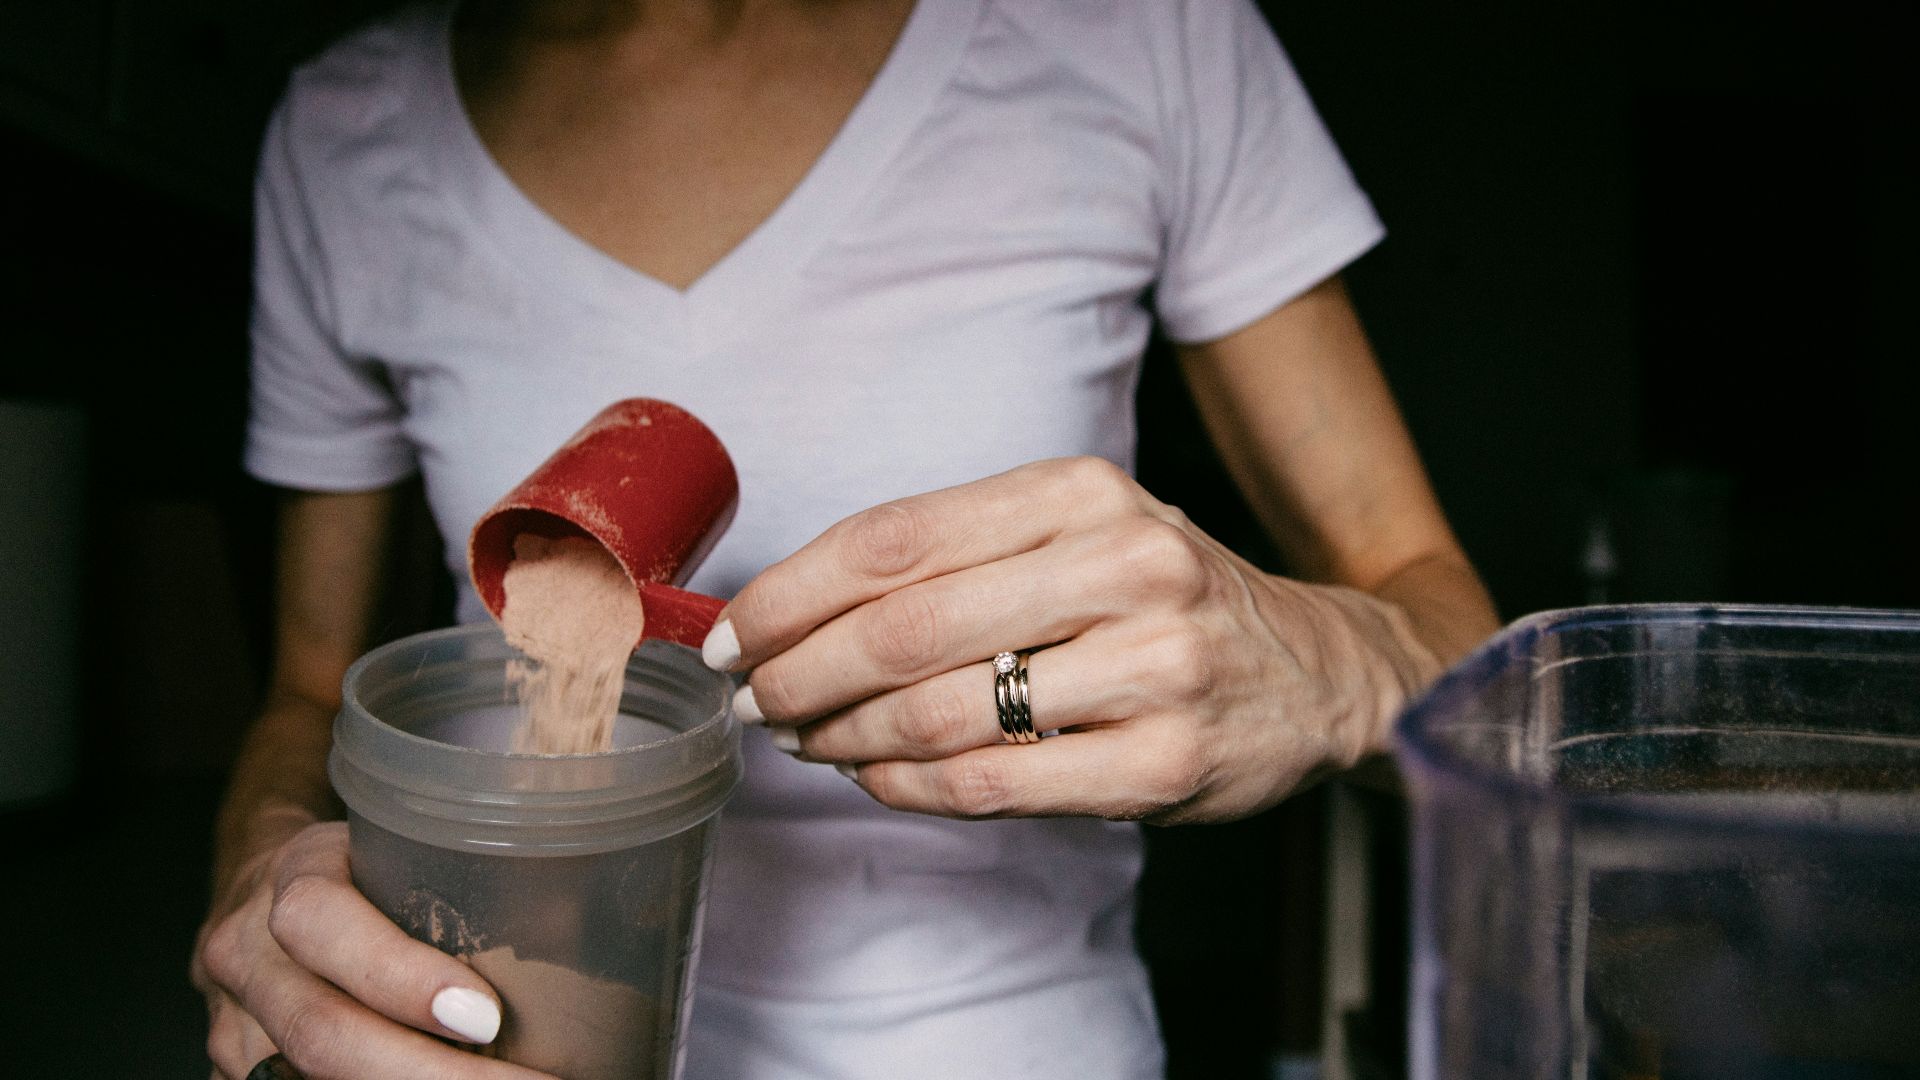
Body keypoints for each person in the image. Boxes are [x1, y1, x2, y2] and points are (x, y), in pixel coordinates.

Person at [191, 0, 1500, 1076]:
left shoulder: (1141, 31)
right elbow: (308, 690)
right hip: (513, 1037)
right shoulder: (342, 134)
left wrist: (1336, 665)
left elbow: (1448, 627)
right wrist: (263, 870)